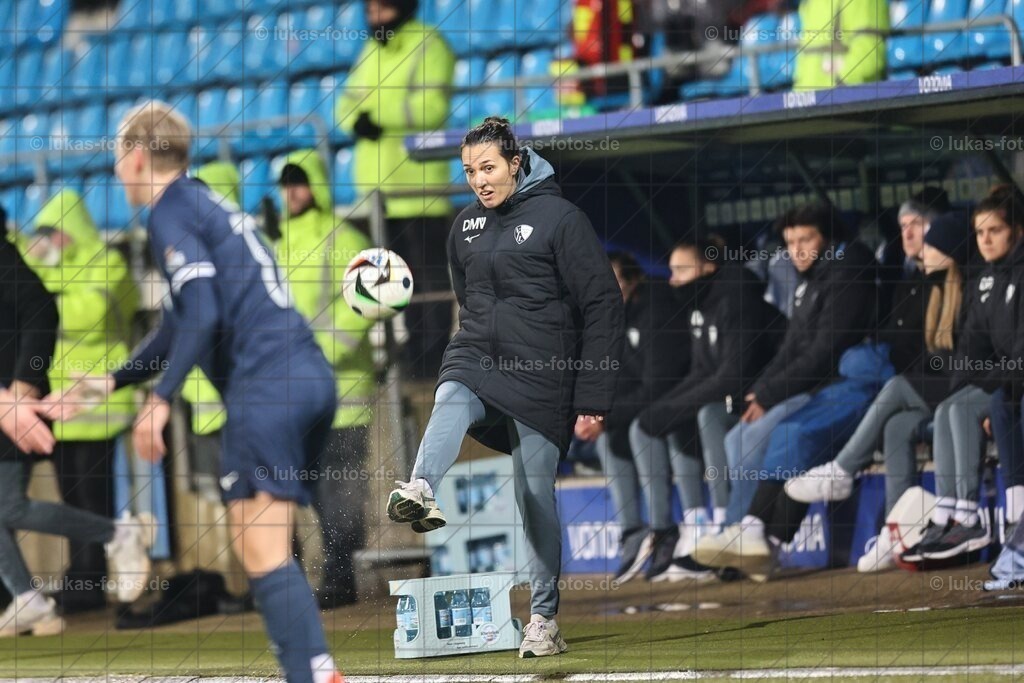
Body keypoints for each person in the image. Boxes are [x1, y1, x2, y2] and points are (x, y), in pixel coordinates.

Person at [46, 102, 342, 683]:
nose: (116, 172)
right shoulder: (206, 200)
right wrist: (113, 380)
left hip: (265, 388)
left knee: (260, 553)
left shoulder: (169, 212)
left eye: (116, 159)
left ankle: (313, 672)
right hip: (308, 377)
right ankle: (315, 670)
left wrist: (159, 403)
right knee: (266, 548)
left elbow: (201, 312)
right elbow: (181, 322)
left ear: (134, 159)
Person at [385, 117, 624, 658]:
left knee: (533, 493)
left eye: (488, 168)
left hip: (543, 373)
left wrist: (593, 395)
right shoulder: (464, 226)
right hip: (478, 357)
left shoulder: (562, 219)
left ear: (516, 163)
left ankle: (544, 619)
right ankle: (421, 488)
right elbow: (469, 300)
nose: (479, 180)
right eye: (469, 171)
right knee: (450, 393)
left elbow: (602, 304)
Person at [693, 203, 878, 578]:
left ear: (827, 237)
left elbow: (824, 352)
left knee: (761, 436)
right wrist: (760, 391)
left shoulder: (848, 272)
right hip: (809, 385)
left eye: (806, 238)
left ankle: (743, 533)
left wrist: (770, 394)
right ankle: (739, 534)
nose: (797, 248)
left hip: (837, 386)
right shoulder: (811, 280)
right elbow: (791, 348)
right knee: (734, 440)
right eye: (791, 241)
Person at [785, 211, 968, 572]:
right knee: (896, 426)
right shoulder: (932, 287)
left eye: (931, 244)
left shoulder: (969, 287)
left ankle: (841, 471)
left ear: (951, 250)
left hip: (965, 391)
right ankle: (895, 532)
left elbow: (965, 360)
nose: (922, 250)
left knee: (896, 384)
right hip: (940, 389)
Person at [0, 204, 151, 637]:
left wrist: (26, 382)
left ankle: (118, 534)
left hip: (21, 406)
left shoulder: (6, 259)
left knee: (9, 506)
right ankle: (28, 599)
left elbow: (43, 310)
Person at [627, 239, 782, 582]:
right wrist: (665, 408)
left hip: (767, 399)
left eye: (682, 270)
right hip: (737, 399)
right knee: (670, 421)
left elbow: (733, 375)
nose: (673, 280)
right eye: (671, 271)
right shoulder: (700, 304)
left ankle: (726, 523)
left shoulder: (737, 299)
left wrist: (671, 408)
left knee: (706, 414)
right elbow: (701, 371)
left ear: (708, 268)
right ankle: (694, 526)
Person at [900, 187, 1024, 563]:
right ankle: (949, 512)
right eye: (980, 233)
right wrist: (966, 387)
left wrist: (991, 389)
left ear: (1017, 231)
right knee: (948, 409)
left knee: (974, 407)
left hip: (1012, 383)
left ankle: (969, 517)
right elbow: (971, 350)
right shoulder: (987, 279)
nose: (985, 240)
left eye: (995, 231)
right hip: (1002, 381)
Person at [275, 148, 375, 609]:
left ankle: (340, 575)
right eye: (286, 183)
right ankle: (330, 573)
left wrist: (313, 353)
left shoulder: (345, 237)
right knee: (313, 488)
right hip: (298, 395)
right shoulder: (275, 245)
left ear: (316, 184)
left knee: (341, 491)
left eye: (300, 181)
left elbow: (363, 307)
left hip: (345, 390)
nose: (292, 192)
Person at [335, 0, 455, 378]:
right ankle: (413, 350)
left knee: (427, 279)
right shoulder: (370, 50)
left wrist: (376, 118)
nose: (375, 18)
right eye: (369, 11)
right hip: (377, 194)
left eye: (382, 9)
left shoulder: (430, 43)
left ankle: (434, 357)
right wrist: (357, 121)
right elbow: (344, 105)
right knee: (392, 278)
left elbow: (432, 107)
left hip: (419, 189)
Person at [576, 251, 689, 585]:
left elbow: (658, 386)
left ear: (633, 280)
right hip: (645, 406)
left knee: (640, 429)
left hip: (681, 401)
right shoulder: (606, 321)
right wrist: (592, 413)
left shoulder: (657, 309)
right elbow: (613, 384)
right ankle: (633, 532)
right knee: (607, 439)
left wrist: (604, 416)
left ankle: (663, 530)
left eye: (614, 283)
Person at [794, 0, 889, 90]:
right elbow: (803, 61)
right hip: (811, 101)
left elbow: (869, 56)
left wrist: (840, 81)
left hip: (848, 99)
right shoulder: (811, 3)